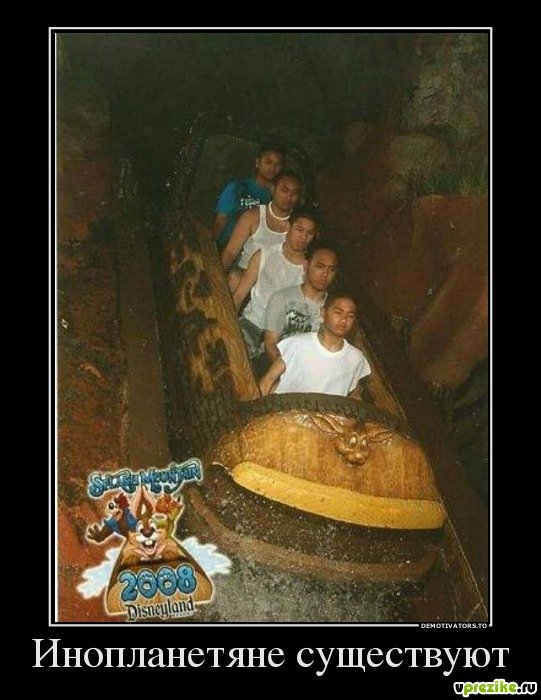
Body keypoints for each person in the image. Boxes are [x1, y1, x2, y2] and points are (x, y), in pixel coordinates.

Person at [234, 207, 318, 360]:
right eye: (299, 230)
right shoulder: (265, 254)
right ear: (289, 227)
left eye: (310, 233)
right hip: (252, 323)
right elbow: (239, 295)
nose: (303, 237)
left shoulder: (309, 270)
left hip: (282, 337)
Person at [258, 293, 371, 397]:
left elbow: (354, 398)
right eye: (338, 312)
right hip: (285, 410)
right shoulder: (297, 344)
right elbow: (267, 382)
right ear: (323, 313)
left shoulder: (356, 359)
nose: (343, 320)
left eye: (350, 316)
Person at [264, 240, 339, 362]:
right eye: (320, 266)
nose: (325, 274)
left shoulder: (334, 310)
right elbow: (271, 343)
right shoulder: (282, 298)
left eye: (331, 270)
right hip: (278, 365)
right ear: (306, 266)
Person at [221, 170, 302, 279]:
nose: (289, 196)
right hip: (244, 277)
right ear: (272, 189)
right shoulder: (252, 216)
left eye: (294, 193)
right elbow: (230, 253)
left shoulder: (300, 226)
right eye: (284, 191)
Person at [213, 142, 285, 251]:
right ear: (257, 163)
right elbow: (219, 223)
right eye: (268, 162)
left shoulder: (280, 198)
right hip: (226, 248)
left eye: (278, 165)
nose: (272, 168)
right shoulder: (237, 188)